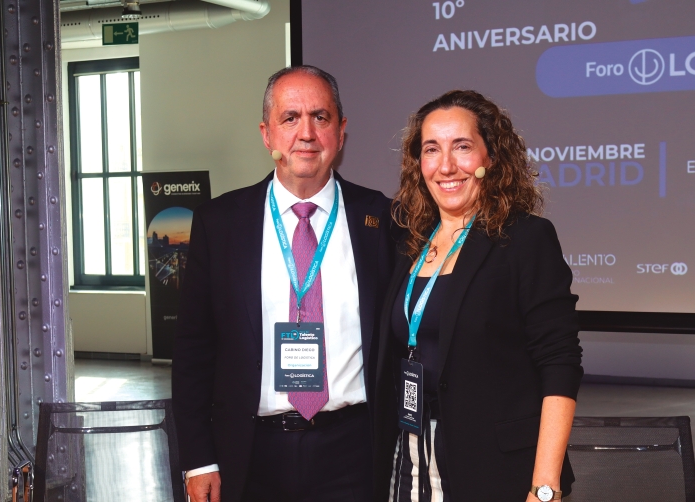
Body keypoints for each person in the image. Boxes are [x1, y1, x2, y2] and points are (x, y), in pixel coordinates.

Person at [173, 65, 397, 502]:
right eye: (290, 118)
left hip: (355, 449)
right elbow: (193, 351)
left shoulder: (381, 220)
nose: (307, 133)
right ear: (266, 133)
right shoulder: (220, 223)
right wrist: (199, 459)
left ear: (341, 130)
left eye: (321, 116)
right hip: (252, 451)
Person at [372, 90, 583, 502]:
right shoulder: (410, 243)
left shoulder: (525, 239)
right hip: (410, 461)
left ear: (491, 158)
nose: (446, 165)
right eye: (431, 149)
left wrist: (544, 485)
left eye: (462, 147)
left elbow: (559, 362)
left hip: (496, 471)